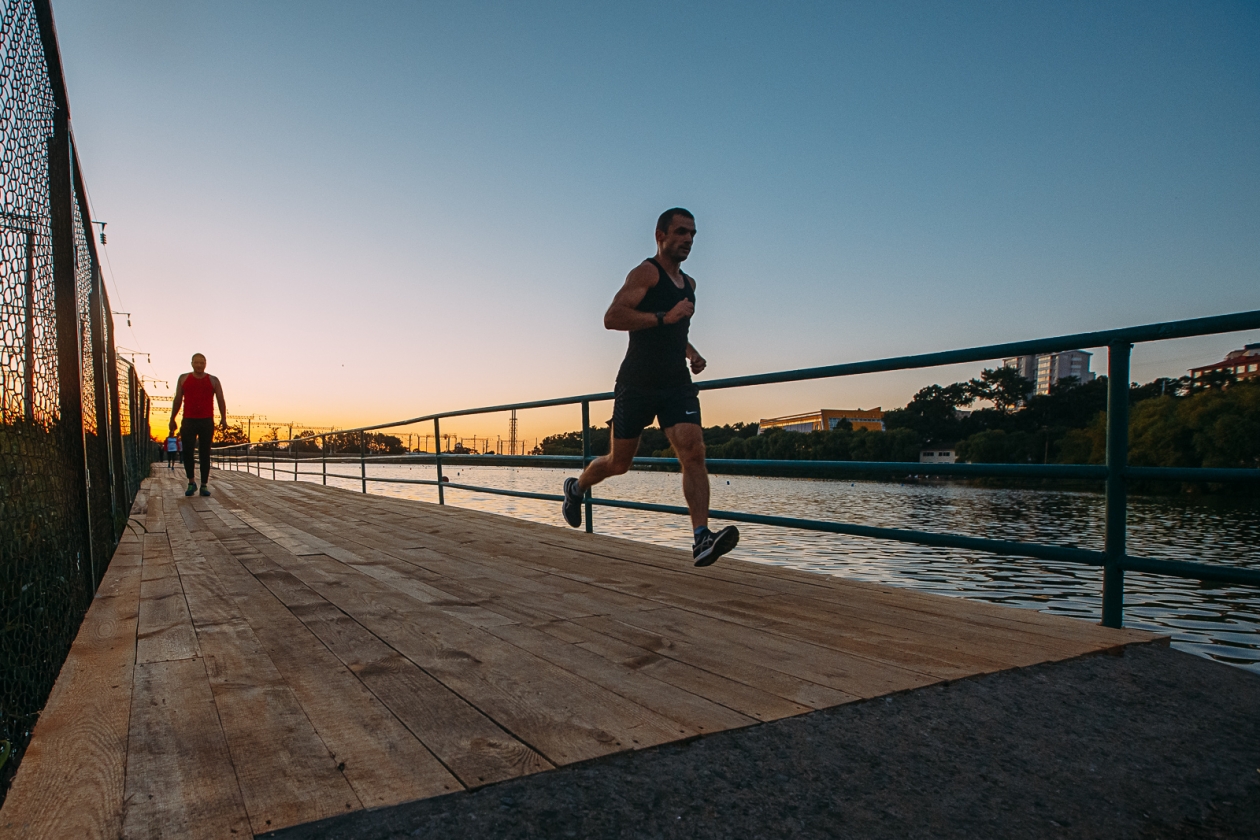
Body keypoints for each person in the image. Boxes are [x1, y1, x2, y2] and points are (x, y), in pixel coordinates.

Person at [561, 208, 739, 567]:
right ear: (661, 236)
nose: (688, 240)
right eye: (680, 233)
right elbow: (612, 317)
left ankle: (701, 537)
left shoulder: (690, 285)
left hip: (676, 383)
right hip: (637, 383)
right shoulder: (646, 273)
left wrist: (692, 352)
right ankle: (576, 488)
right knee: (618, 463)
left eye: (692, 234)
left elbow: (675, 332)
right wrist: (663, 316)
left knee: (694, 451)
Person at [169, 353, 227, 496]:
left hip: (206, 420)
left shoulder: (213, 380)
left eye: (202, 363)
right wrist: (172, 419)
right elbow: (177, 399)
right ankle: (191, 482)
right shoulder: (183, 379)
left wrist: (223, 418)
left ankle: (204, 485)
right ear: (192, 363)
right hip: (188, 420)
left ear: (205, 363)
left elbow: (221, 399)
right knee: (188, 451)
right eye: (197, 362)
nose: (199, 365)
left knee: (204, 453)